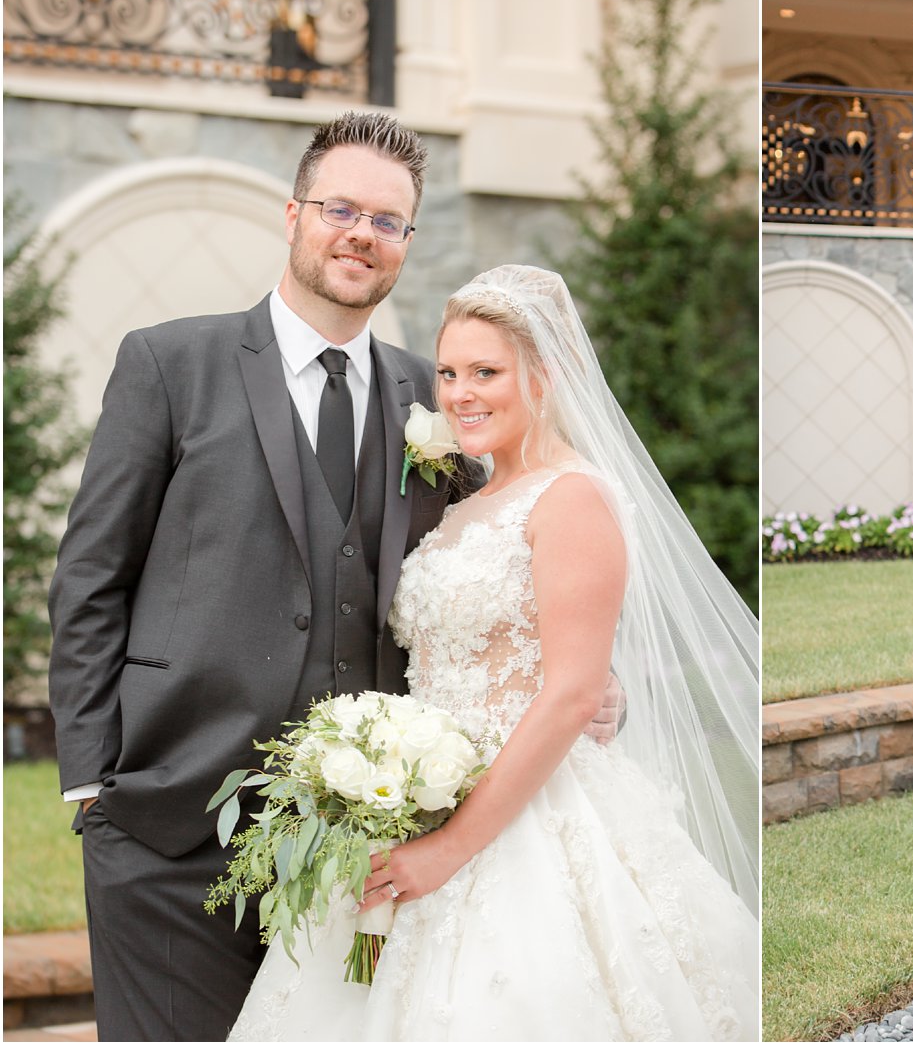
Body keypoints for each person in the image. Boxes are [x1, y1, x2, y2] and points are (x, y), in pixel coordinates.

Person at [47, 113, 621, 1042]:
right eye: (341, 208)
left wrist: (587, 681)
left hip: (366, 843)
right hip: (169, 824)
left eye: (388, 220)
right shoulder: (169, 362)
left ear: (404, 243)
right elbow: (91, 575)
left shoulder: (438, 399)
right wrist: (92, 782)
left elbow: (522, 553)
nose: (362, 233)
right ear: (293, 215)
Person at [227, 265, 760, 1041]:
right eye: (448, 372)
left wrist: (446, 850)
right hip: (412, 798)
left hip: (530, 815)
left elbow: (573, 693)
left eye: (486, 371)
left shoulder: (573, 497)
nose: (460, 393)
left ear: (544, 376)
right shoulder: (466, 501)